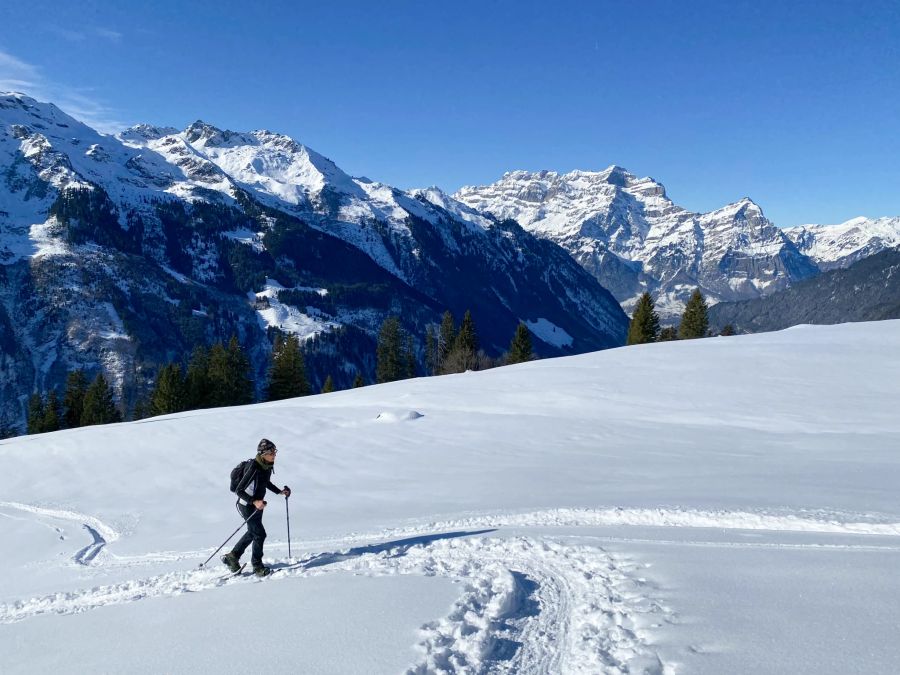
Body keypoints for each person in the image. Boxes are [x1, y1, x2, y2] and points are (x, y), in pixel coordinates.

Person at [222, 438, 291, 576]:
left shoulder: (267, 465)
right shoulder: (254, 467)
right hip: (246, 505)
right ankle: (257, 566)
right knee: (259, 534)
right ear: (263, 453)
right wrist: (254, 502)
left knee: (253, 532)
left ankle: (232, 557)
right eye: (272, 452)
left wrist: (279, 491)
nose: (274, 454)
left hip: (258, 505)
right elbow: (239, 490)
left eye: (275, 451)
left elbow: (265, 482)